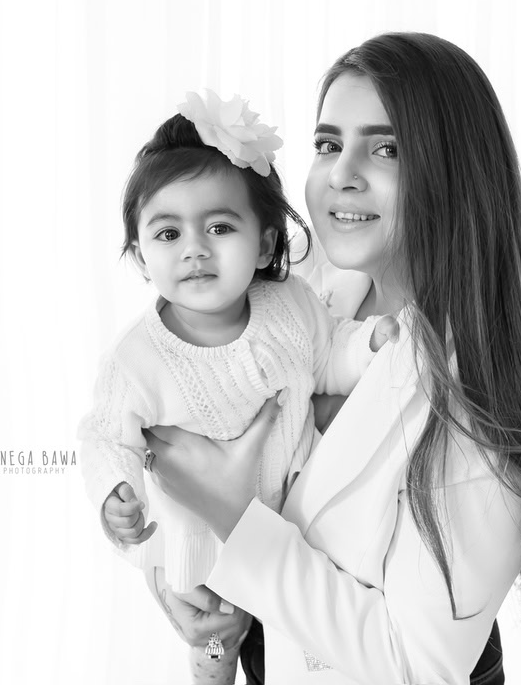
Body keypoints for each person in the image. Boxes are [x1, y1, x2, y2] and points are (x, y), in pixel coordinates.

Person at [141, 33, 521, 684]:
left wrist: (234, 519)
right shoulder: (300, 293)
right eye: (329, 144)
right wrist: (181, 580)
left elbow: (417, 666)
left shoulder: (487, 391)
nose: (341, 173)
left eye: (385, 148)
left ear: (455, 174)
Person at [76, 90, 398, 685]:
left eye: (220, 227)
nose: (195, 249)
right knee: (215, 635)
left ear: (267, 245)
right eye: (167, 234)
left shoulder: (293, 307)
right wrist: (115, 491)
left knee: (276, 647)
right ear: (142, 257)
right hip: (203, 549)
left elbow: (330, 355)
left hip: (297, 541)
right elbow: (102, 433)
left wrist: (371, 345)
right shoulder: (138, 359)